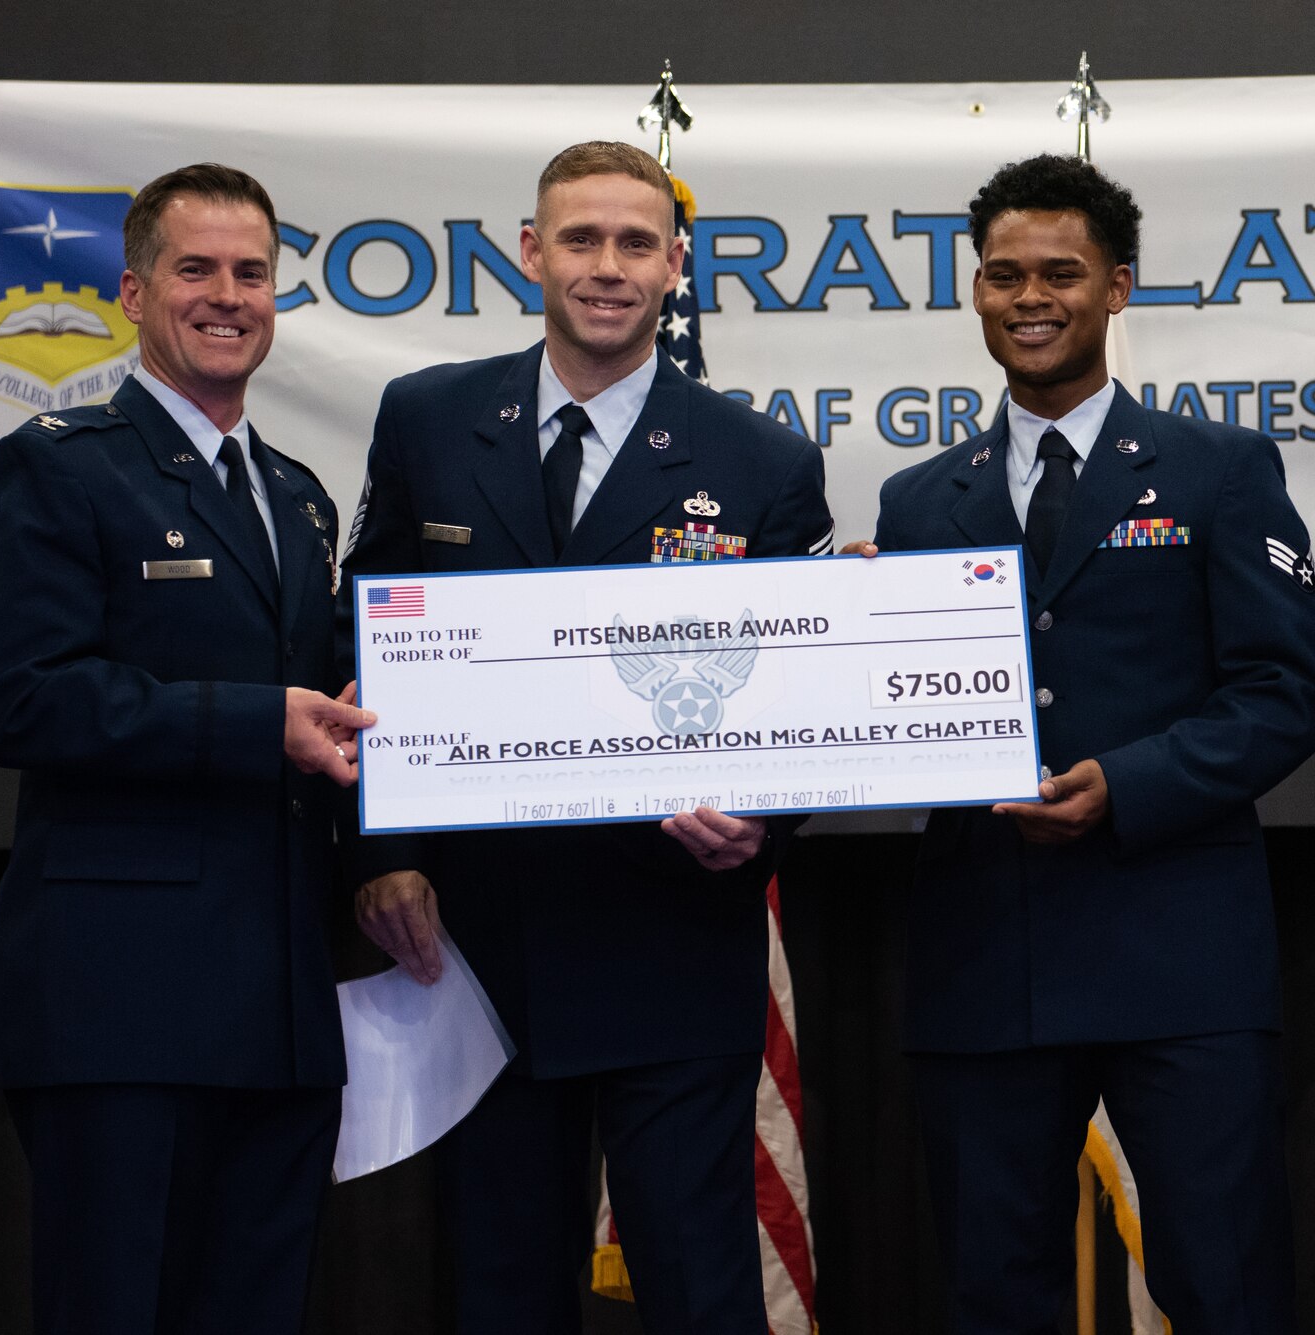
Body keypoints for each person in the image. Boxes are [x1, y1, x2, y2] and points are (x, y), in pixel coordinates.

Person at [336, 140, 833, 1333]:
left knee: (700, 1287)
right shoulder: (429, 420)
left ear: (674, 263)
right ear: (529, 252)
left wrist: (762, 820)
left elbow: (802, 691)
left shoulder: (761, 459)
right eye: (579, 240)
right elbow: (362, 644)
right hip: (482, 940)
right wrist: (379, 852)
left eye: (633, 243)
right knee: (501, 1287)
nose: (605, 268)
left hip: (672, 932)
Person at [860, 153, 1315, 1333]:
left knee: (1226, 1284)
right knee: (991, 1291)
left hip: (1177, 953)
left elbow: (1284, 691)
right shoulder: (917, 502)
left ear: (1117, 288)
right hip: (984, 956)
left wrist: (1126, 785)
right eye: (1003, 275)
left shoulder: (1217, 469)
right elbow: (902, 716)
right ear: (972, 293)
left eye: (1060, 273)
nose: (1031, 297)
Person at [0, 163, 372, 1335]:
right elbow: (22, 705)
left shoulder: (294, 498)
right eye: (197, 269)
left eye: (252, 272)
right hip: (119, 1002)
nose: (227, 295)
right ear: (135, 292)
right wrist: (259, 724)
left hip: (280, 1008)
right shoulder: (57, 465)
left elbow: (339, 703)